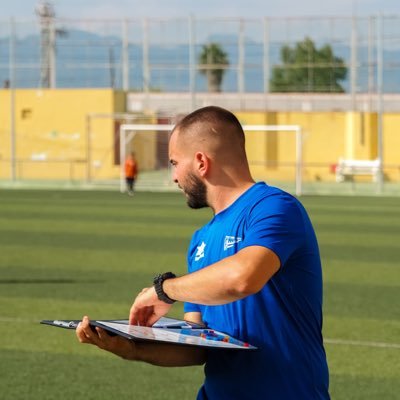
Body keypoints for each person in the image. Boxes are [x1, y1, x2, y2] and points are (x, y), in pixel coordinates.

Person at [77, 106, 330, 400]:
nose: (173, 177)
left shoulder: (274, 207)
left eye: (174, 163)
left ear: (200, 162)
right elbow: (198, 345)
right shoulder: (200, 240)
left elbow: (242, 278)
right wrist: (133, 348)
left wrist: (164, 290)